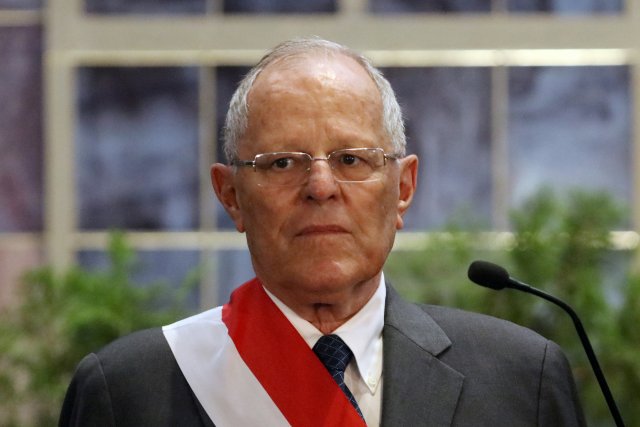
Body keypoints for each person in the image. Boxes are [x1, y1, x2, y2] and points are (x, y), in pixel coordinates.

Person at [59, 37, 585, 426]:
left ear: (402, 188)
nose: (321, 186)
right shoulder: (126, 392)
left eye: (351, 158)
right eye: (282, 162)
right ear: (231, 196)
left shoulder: (521, 380)